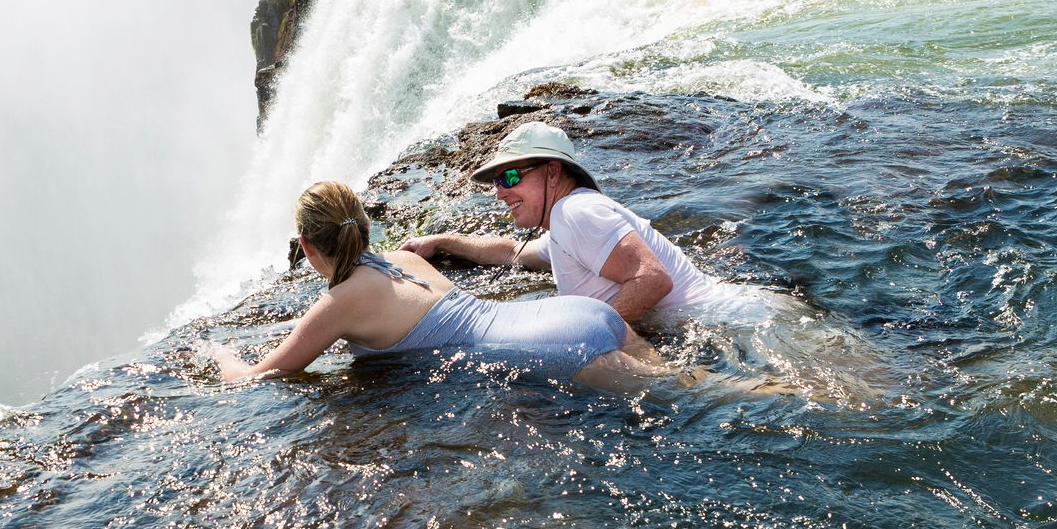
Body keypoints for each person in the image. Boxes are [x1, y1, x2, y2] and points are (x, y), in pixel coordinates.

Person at [201, 180, 668, 391]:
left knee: (682, 402)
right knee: (714, 391)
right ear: (365, 227)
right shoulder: (403, 258)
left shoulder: (337, 304)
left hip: (551, 350)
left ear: (306, 245)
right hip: (578, 314)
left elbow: (257, 377)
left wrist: (216, 354)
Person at [396, 120, 759, 326]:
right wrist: (441, 241)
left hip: (734, 324)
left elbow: (652, 279)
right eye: (495, 182)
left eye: (509, 178)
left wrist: (588, 336)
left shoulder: (574, 213)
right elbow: (512, 252)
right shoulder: (567, 223)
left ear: (553, 171)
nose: (500, 193)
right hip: (733, 318)